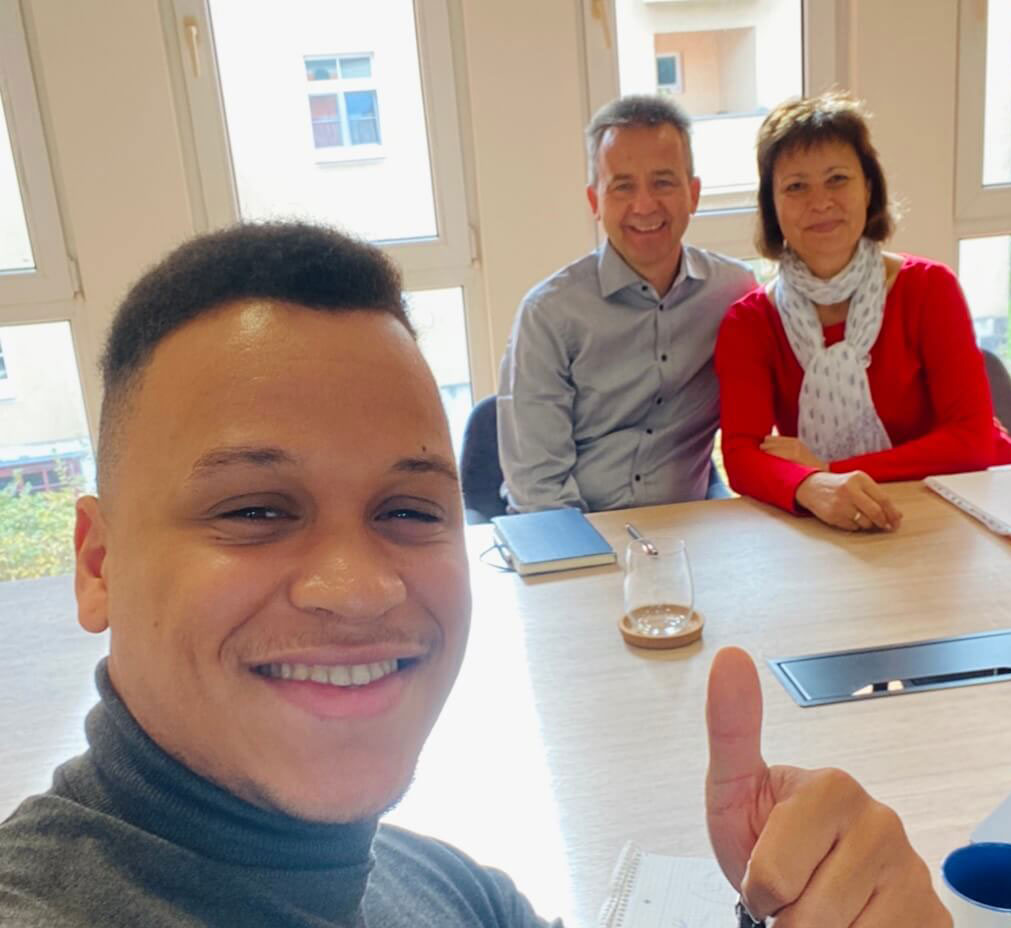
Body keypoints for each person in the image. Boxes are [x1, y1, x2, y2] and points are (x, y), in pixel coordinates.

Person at [0, 223, 950, 927]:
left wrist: (795, 910)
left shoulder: (444, 890)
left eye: (408, 510)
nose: (359, 587)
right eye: (254, 510)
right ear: (98, 564)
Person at [715, 92, 1011, 532]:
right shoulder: (749, 323)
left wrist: (828, 470)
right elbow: (742, 458)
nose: (820, 202)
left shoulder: (929, 289)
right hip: (838, 521)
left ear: (869, 188)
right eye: (796, 186)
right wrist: (815, 487)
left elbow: (971, 442)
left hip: (974, 506)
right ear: (772, 206)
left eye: (837, 179)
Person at [497, 95, 756, 513]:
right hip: (577, 529)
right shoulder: (549, 314)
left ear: (693, 194)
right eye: (623, 186)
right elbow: (538, 489)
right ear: (595, 202)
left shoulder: (734, 294)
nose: (644, 205)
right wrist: (592, 554)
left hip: (689, 531)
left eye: (663, 182)